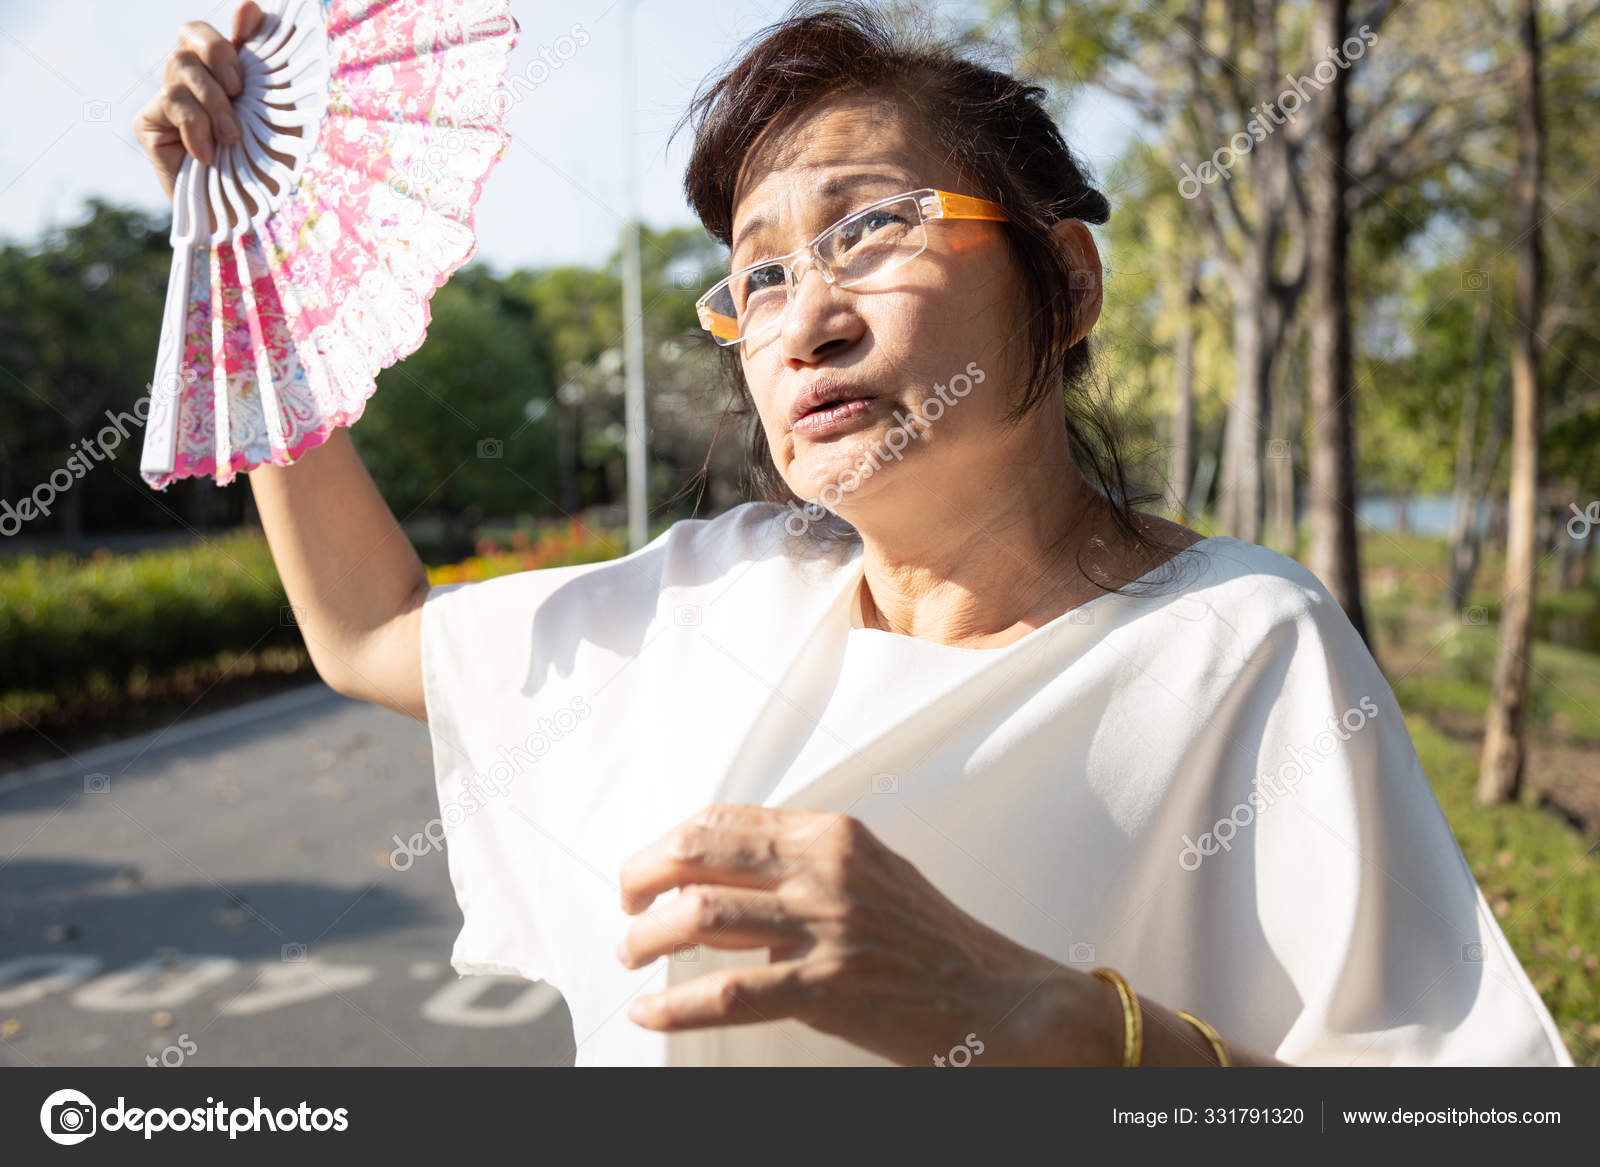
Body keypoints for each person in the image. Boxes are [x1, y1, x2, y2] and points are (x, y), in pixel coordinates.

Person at [134, 0, 1573, 1067]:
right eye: (754, 278)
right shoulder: (705, 601)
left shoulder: (1240, 649)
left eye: (871, 228)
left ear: (1063, 284)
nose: (805, 318)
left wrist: (1021, 1010)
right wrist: (244, 261)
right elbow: (372, 628)